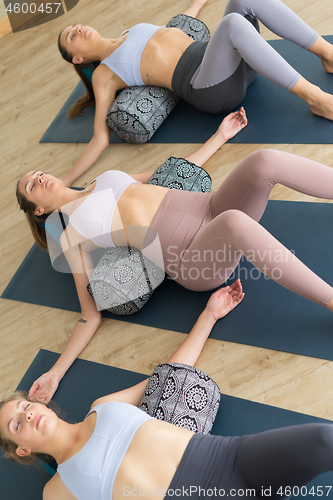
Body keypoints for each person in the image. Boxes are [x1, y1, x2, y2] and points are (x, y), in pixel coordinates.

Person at [1, 285, 333, 500]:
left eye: (22, 407)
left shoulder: (103, 406)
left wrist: (209, 315)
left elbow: (166, 377)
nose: (27, 414)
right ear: (23, 449)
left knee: (323, 440)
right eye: (17, 424)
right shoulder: (56, 492)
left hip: (229, 460)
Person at [57, 0, 333, 186]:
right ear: (77, 59)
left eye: (75, 26)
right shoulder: (105, 74)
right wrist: (66, 183)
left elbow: (176, 27)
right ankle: (316, 99)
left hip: (230, 62)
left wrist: (198, 2)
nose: (78, 29)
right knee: (233, 24)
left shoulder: (129, 31)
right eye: (71, 36)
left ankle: (328, 55)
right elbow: (99, 139)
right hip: (208, 86)